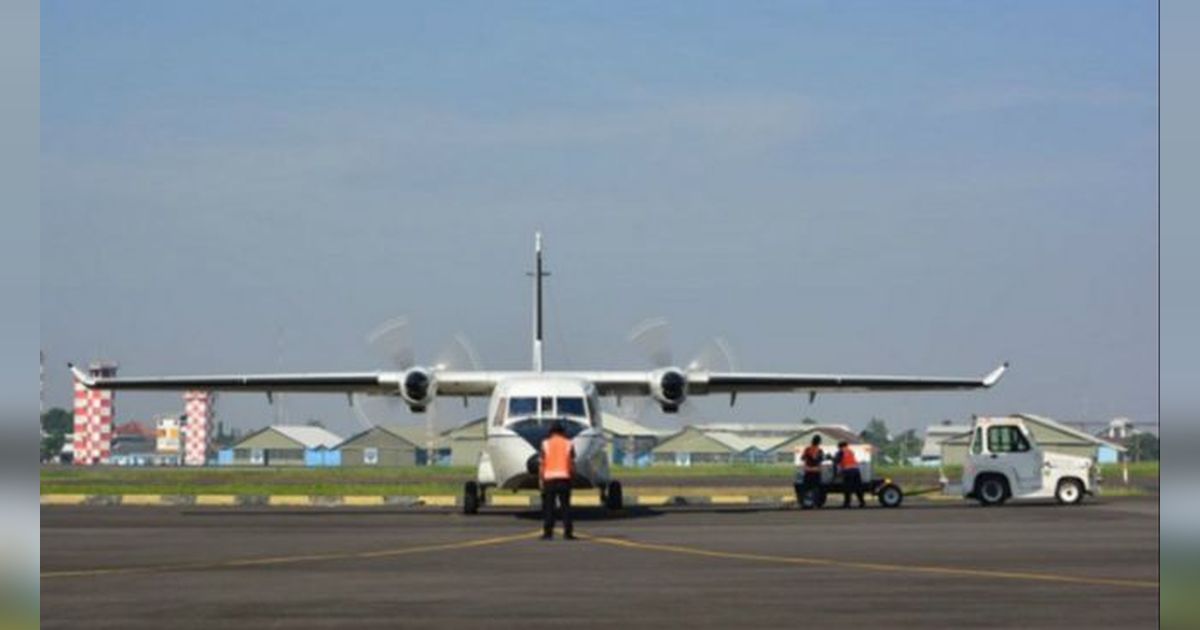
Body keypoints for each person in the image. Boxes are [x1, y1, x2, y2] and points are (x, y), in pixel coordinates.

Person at [539, 421, 576, 540]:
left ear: (551, 432)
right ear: (562, 432)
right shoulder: (569, 443)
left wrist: (541, 479)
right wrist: (572, 477)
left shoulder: (545, 444)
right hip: (564, 478)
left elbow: (542, 464)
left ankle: (548, 533)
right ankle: (568, 533)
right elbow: (572, 463)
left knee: (549, 507)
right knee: (566, 507)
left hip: (549, 479)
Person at [794, 435, 825, 509]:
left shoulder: (807, 449)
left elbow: (802, 458)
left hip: (808, 470)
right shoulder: (820, 450)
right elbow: (821, 459)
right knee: (816, 488)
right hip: (817, 470)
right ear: (819, 442)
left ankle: (805, 503)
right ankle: (816, 504)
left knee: (806, 488)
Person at [834, 440, 866, 508]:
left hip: (848, 472)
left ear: (841, 446)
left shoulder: (841, 452)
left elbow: (837, 460)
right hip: (856, 471)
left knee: (847, 488)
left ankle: (847, 504)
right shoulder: (850, 451)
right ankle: (862, 502)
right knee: (858, 488)